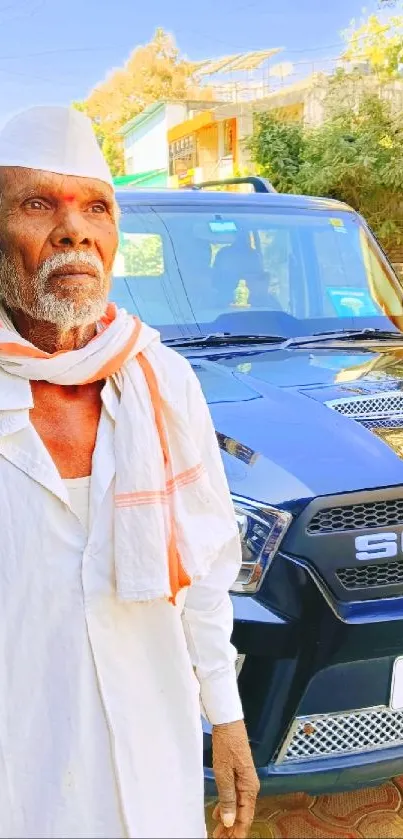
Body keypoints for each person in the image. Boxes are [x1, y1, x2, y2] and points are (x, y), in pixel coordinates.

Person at [0, 105, 259, 839]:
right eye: (38, 203)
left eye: (95, 208)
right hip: (22, 770)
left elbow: (205, 569)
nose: (74, 229)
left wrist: (227, 716)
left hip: (153, 752)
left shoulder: (161, 379)